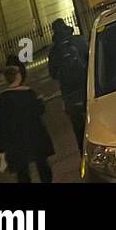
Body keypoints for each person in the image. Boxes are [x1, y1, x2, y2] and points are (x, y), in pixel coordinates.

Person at [0, 65, 54, 184]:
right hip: (34, 135)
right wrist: (40, 102)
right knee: (42, 166)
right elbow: (39, 111)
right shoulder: (28, 93)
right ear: (18, 76)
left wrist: (1, 147)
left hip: (15, 141)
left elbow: (0, 125)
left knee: (22, 172)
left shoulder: (2, 100)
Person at [47, 19, 89, 151]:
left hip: (69, 94)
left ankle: (83, 155)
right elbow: (90, 58)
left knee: (78, 127)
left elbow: (53, 74)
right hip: (86, 86)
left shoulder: (54, 51)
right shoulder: (79, 41)